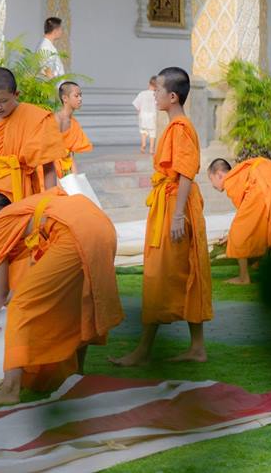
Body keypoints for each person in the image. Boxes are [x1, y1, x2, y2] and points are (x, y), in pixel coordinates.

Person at [0, 188, 123, 405]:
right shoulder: (30, 212)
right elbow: (44, 271)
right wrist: (15, 292)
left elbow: (1, 290)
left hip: (75, 233)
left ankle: (10, 389)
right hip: (102, 226)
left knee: (21, 306)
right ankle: (76, 376)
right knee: (76, 303)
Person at [110, 67, 211, 366]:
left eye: (157, 91)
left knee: (162, 274)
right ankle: (196, 348)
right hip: (169, 203)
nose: (153, 95)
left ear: (173, 96)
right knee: (179, 271)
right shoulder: (174, 125)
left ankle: (144, 351)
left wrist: (178, 215)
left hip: (175, 206)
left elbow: (185, 173)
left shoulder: (180, 128)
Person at [0, 67, 65, 290]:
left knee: (23, 249)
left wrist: (49, 207)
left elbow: (49, 167)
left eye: (3, 101)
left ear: (16, 94)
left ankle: (21, 302)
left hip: (23, 193)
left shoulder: (36, 118)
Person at [207, 157, 271, 285]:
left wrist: (232, 234)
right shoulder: (241, 173)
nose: (212, 185)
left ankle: (243, 278)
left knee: (238, 231)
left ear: (219, 175)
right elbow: (250, 217)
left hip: (264, 186)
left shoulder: (230, 180)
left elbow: (244, 219)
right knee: (267, 228)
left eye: (211, 179)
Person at [54, 81, 93, 177]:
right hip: (51, 170)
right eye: (76, 96)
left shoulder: (73, 123)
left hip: (66, 169)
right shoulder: (56, 119)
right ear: (65, 98)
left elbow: (71, 154)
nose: (80, 99)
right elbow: (47, 153)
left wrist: (75, 178)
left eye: (81, 95)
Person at [132, 76, 158, 154]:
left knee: (143, 131)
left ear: (149, 84)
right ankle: (151, 149)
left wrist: (139, 113)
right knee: (152, 132)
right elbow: (158, 105)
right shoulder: (156, 95)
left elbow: (137, 105)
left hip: (143, 115)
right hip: (152, 115)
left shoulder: (142, 93)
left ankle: (143, 145)